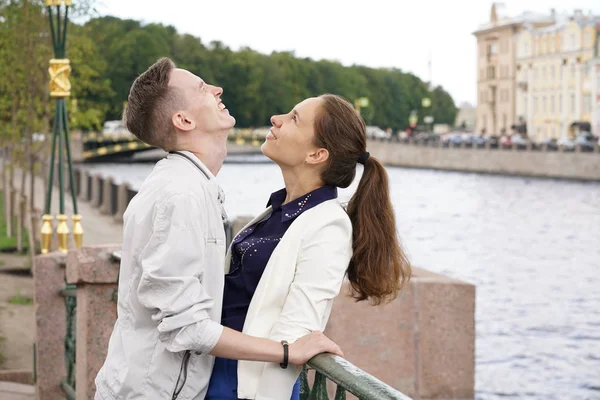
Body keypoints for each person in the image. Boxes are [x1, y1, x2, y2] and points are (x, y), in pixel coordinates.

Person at [94, 58, 343, 400]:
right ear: (183, 120)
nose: (217, 89)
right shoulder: (182, 195)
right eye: (202, 88)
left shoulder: (192, 187)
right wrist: (286, 352)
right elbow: (185, 326)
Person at [205, 94, 412, 399]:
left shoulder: (329, 225)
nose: (277, 119)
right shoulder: (278, 210)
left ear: (316, 154)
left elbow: (296, 329)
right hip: (213, 370)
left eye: (294, 118)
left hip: (245, 386)